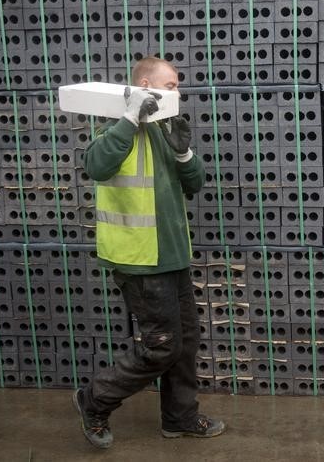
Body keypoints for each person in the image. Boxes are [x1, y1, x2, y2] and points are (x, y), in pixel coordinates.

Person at [73, 56, 223, 449]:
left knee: (185, 342)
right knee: (162, 348)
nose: (178, 92)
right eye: (171, 85)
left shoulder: (165, 131)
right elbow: (96, 165)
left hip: (172, 256)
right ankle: (94, 400)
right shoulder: (116, 131)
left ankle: (180, 418)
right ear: (145, 85)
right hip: (140, 261)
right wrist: (129, 118)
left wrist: (185, 153)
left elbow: (195, 184)